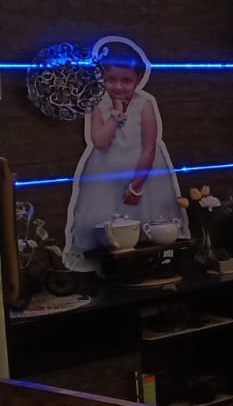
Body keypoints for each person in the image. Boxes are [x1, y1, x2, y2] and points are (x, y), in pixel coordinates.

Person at [64, 38, 188, 269]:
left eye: (126, 81)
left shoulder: (145, 103)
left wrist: (136, 185)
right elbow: (99, 141)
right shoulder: (98, 102)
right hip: (105, 174)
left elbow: (149, 146)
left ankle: (148, 264)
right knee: (105, 223)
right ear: (102, 78)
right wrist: (115, 115)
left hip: (142, 174)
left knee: (146, 222)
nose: (118, 86)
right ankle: (110, 268)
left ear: (138, 80)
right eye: (111, 79)